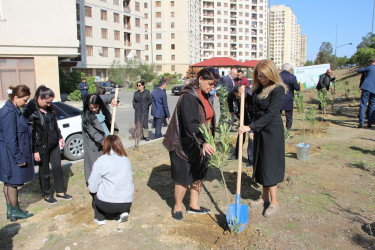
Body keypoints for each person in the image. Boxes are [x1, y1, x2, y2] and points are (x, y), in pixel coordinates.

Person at [163, 67, 220, 221]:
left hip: (201, 142)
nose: (211, 88)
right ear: (200, 79)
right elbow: (191, 124)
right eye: (210, 84)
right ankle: (177, 207)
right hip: (182, 143)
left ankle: (194, 205)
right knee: (183, 178)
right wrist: (202, 142)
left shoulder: (206, 95)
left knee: (198, 174)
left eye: (214, 85)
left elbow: (207, 118)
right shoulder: (188, 97)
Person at [238, 59, 288, 218]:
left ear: (272, 74)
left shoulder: (278, 89)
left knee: (270, 165)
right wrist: (243, 94)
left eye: (264, 76)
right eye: (259, 76)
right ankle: (263, 198)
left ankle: (274, 203)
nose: (261, 79)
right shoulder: (260, 88)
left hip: (272, 132)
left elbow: (271, 114)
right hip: (261, 130)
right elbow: (254, 104)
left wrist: (250, 127)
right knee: (261, 163)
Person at [23, 85, 73, 204]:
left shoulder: (49, 109)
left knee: (57, 167)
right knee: (44, 171)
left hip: (54, 143)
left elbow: (54, 124)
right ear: (39, 98)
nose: (49, 104)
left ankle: (61, 192)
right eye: (47, 102)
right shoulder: (31, 112)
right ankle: (47, 194)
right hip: (42, 146)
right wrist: (35, 150)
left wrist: (60, 136)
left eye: (50, 102)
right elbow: (31, 133)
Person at [0, 85, 34, 221]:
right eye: (24, 100)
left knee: (8, 182)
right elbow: (10, 138)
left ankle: (10, 211)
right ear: (15, 98)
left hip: (9, 152)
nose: (26, 103)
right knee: (12, 182)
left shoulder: (12, 109)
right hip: (10, 154)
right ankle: (15, 210)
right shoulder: (9, 113)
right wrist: (18, 157)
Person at [88, 135, 134, 226]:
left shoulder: (101, 160)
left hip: (107, 204)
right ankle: (121, 213)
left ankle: (99, 218)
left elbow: (92, 187)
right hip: (127, 202)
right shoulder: (126, 159)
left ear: (105, 145)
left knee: (95, 190)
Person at [82, 94, 118, 183]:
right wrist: (106, 142)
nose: (94, 110)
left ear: (99, 104)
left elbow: (112, 96)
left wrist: (114, 100)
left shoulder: (102, 105)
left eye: (96, 107)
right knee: (97, 171)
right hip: (95, 147)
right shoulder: (86, 117)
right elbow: (94, 134)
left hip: (108, 139)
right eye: (91, 108)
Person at [228, 85, 254, 167]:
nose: (237, 97)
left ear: (243, 92)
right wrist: (231, 110)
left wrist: (252, 127)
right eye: (235, 95)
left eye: (238, 95)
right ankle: (236, 154)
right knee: (240, 135)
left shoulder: (251, 96)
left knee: (251, 138)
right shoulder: (234, 94)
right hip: (242, 116)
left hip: (252, 117)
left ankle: (251, 160)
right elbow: (229, 97)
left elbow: (256, 112)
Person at [280, 63, 300, 130]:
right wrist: (299, 85)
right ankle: (288, 133)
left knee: (277, 117)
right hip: (288, 99)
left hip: (278, 99)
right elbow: (297, 88)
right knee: (289, 118)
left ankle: (279, 132)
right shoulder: (292, 77)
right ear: (289, 69)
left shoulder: (277, 76)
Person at [357, 58, 375, 128]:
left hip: (366, 88)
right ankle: (369, 123)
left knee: (363, 105)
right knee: (372, 106)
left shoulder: (370, 67)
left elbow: (359, 70)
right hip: (374, 90)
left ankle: (361, 122)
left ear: (371, 62)